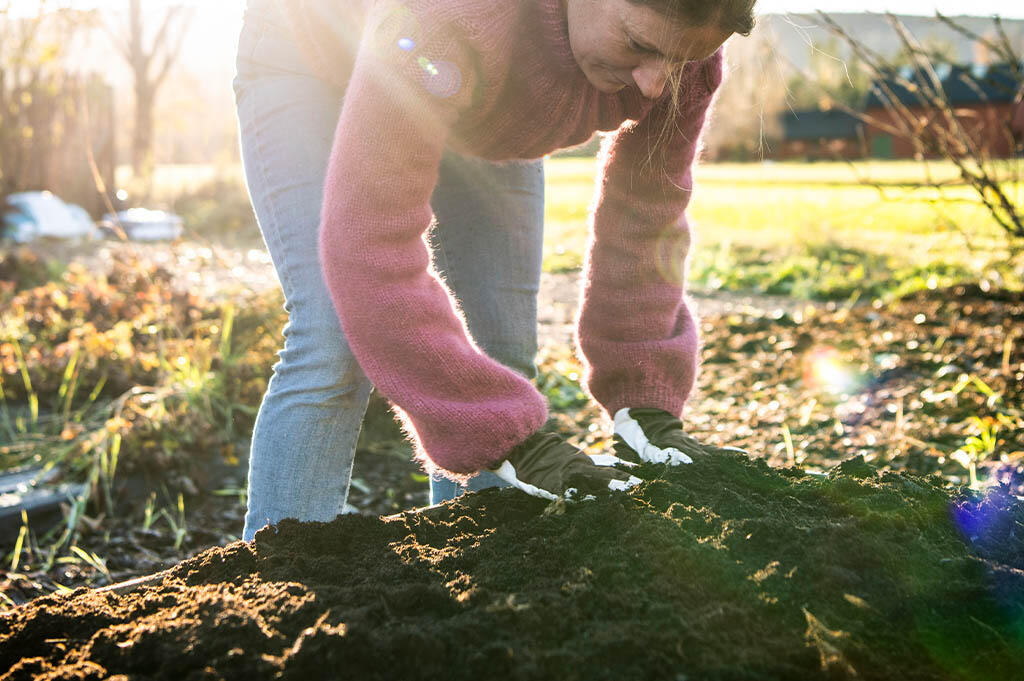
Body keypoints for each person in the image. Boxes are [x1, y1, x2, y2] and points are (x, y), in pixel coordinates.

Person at [233, 0, 755, 541]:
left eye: (680, 62)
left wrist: (645, 398)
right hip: (319, 60)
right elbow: (369, 242)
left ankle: (474, 566)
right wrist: (508, 438)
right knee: (332, 335)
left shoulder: (682, 47)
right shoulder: (447, 18)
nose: (655, 85)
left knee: (499, 344)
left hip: (477, 94)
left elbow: (646, 223)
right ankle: (279, 574)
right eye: (639, 46)